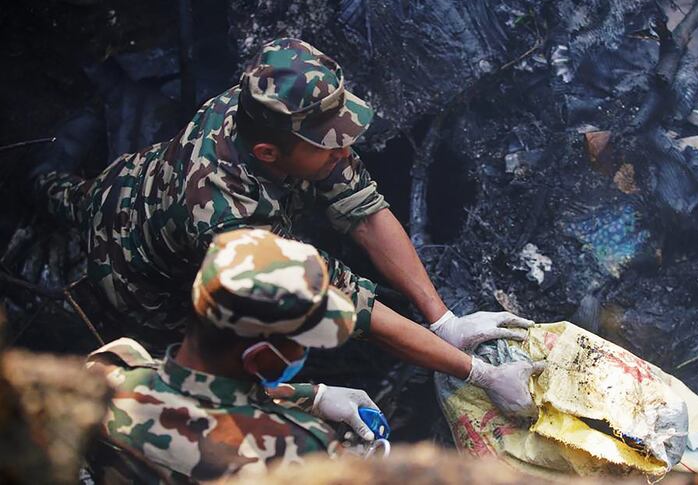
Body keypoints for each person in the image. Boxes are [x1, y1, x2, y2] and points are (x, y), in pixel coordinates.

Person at [36, 37, 539, 416]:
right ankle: (34, 181)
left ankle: (43, 179)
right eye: (328, 146)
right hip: (137, 276)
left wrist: (443, 321)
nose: (344, 153)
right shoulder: (229, 221)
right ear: (268, 154)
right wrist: (481, 374)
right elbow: (348, 307)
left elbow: (362, 207)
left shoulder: (267, 105)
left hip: (129, 181)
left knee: (71, 196)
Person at [87, 228, 389, 482]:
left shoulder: (107, 372)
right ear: (258, 357)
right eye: (301, 342)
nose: (305, 351)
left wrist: (313, 396)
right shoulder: (299, 451)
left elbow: (200, 401)